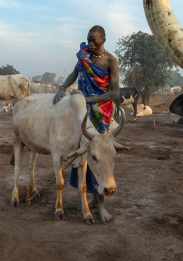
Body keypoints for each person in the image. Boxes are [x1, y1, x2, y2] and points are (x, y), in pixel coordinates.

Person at [53, 25, 120, 221]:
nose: (90, 44)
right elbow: (74, 74)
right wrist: (62, 87)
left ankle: (100, 204)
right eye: (88, 40)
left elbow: (115, 93)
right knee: (84, 154)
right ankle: (86, 198)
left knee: (102, 158)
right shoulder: (84, 58)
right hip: (82, 113)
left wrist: (88, 100)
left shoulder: (111, 61)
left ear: (104, 40)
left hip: (101, 114)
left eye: (95, 41)